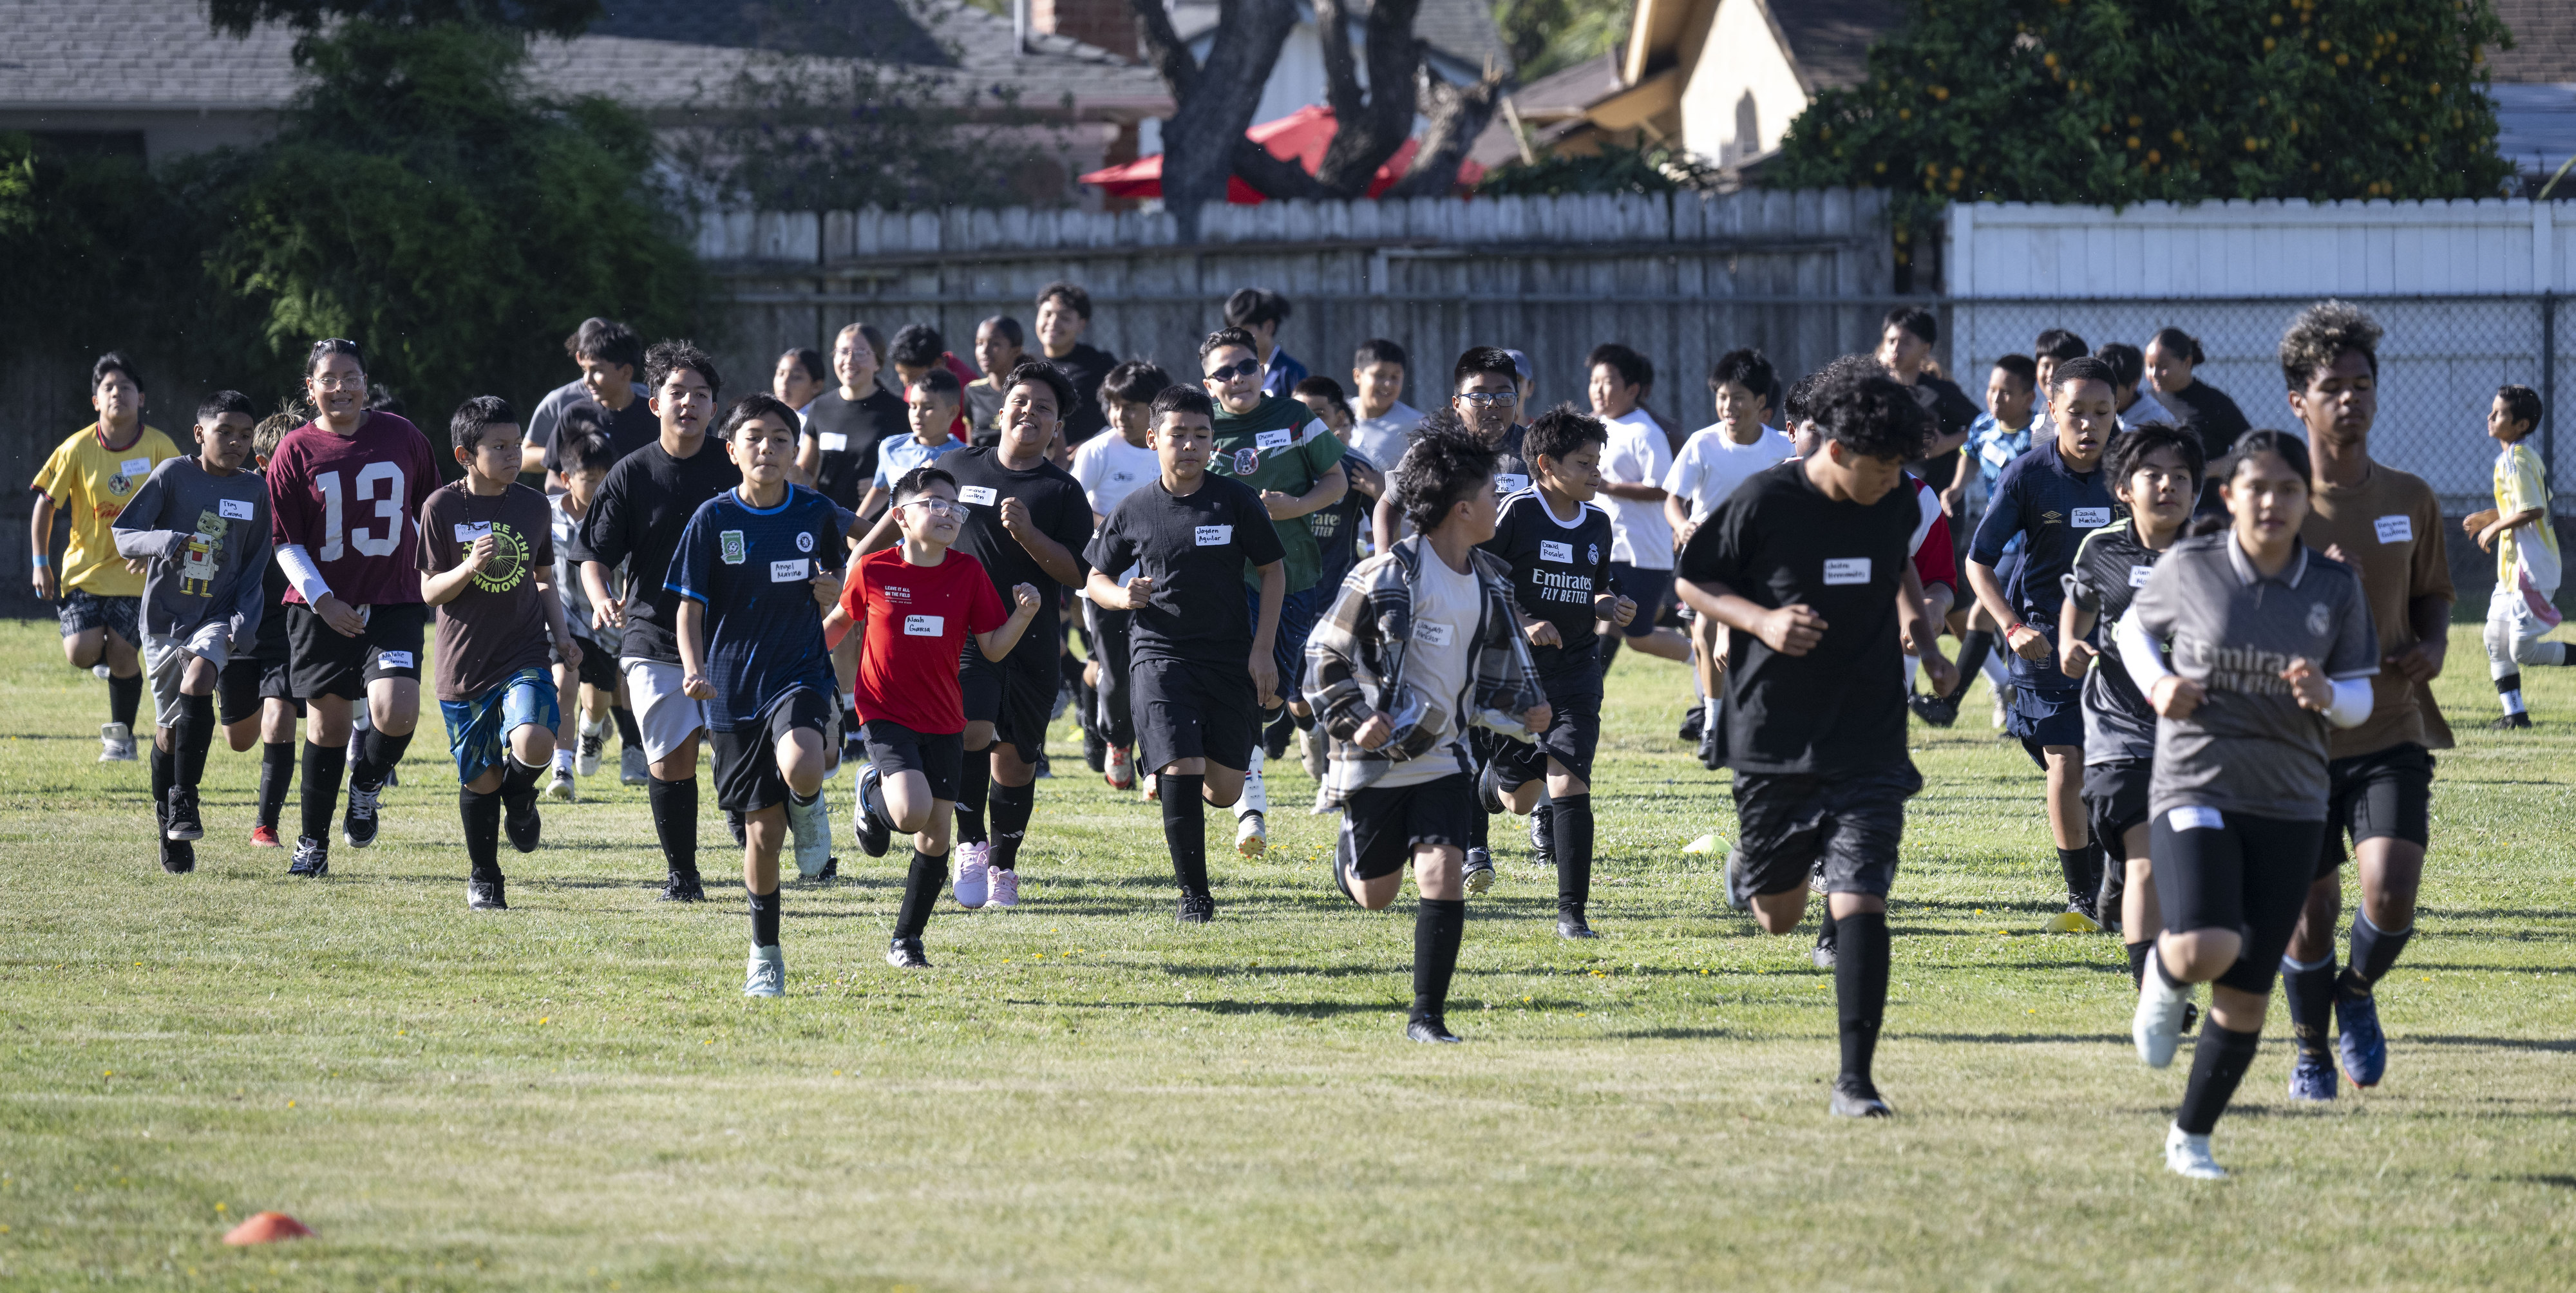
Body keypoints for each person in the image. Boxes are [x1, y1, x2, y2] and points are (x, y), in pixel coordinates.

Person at [1676, 368, 1944, 1115]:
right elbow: (1693, 581)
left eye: (1900, 469)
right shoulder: (1766, 500)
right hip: (1774, 735)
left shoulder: (1891, 495)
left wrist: (1924, 637)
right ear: (1839, 447)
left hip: (1869, 732)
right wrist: (1759, 622)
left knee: (1860, 896)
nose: (1893, 482)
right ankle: (1753, 867)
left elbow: (1898, 566)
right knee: (1778, 914)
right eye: (1882, 467)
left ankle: (1855, 1081)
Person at [2122, 429, 2378, 1179]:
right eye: (2256, 487)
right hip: (2195, 784)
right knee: (2207, 944)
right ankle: (2164, 979)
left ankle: (2190, 1139)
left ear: (2307, 501)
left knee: (2244, 998)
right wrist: (2158, 683)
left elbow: (2360, 695)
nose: (2271, 502)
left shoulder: (2334, 589)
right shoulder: (2192, 566)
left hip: (2293, 802)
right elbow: (2134, 627)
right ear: (2229, 494)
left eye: (2288, 490)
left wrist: (2329, 696)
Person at [1307, 420, 1548, 1042]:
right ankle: (1351, 856)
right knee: (1376, 895)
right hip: (1380, 760)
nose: (1503, 504)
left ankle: (1427, 1017)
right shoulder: (1383, 575)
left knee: (1443, 872)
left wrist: (1528, 711)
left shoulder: (1492, 578)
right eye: (1495, 495)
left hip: (1445, 755)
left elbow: (1502, 664)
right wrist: (1357, 723)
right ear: (1463, 509)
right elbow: (1322, 657)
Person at [2274, 301, 2454, 1102]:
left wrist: (2434, 642)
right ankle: (2310, 1048)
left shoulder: (2412, 497)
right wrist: (2313, 586)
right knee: (2309, 914)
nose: (2351, 398)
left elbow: (2435, 594)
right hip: (2293, 741)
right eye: (2331, 387)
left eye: (2362, 384)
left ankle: (2354, 992)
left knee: (2389, 888)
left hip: (2388, 724)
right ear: (2297, 404)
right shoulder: (2273, 508)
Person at [858, 361, 1094, 909]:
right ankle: (970, 843)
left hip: (1030, 638)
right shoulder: (956, 466)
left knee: (1016, 760)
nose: (1030, 413)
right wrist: (861, 558)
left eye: (1045, 407)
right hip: (960, 635)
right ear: (999, 406)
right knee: (970, 732)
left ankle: (1004, 870)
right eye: (1021, 401)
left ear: (1057, 423)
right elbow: (903, 517)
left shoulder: (1062, 491)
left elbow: (1078, 574)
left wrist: (1031, 536)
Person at [668, 395, 865, 994]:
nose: (768, 449)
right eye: (754, 438)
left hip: (799, 670)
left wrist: (837, 588)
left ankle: (810, 804)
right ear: (732, 451)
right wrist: (694, 669)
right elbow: (689, 609)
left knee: (805, 763)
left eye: (782, 439)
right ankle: (765, 954)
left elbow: (857, 562)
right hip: (730, 690)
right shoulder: (712, 520)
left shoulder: (815, 511)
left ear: (796, 451)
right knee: (761, 836)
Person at [1085, 384, 1287, 922]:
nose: (1190, 445)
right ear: (1154, 440)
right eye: (1178, 435)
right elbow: (1096, 574)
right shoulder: (1134, 509)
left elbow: (1272, 571)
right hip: (1158, 654)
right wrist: (1121, 596)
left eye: (1201, 435)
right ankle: (1194, 896)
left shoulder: (1236, 501)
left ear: (1213, 443)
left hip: (1230, 659)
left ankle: (1193, 781)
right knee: (1183, 766)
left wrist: (1263, 650)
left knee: (1221, 789)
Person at [837, 466, 1042, 966]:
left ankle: (907, 940)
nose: (947, 513)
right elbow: (840, 623)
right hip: (885, 712)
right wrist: (805, 672)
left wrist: (1023, 616)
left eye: (955, 507)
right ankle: (872, 791)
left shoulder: (968, 573)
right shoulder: (875, 569)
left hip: (946, 719)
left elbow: (992, 648)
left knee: (935, 833)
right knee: (909, 813)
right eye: (933, 503)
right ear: (901, 516)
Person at [573, 341, 743, 902]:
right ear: (655, 403)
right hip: (652, 634)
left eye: (701, 395)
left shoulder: (735, 465)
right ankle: (684, 877)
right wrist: (599, 597)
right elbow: (592, 555)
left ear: (715, 407)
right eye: (677, 393)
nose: (689, 404)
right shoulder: (631, 473)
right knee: (670, 763)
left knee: (738, 754)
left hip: (733, 636)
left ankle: (747, 809)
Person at [267, 339, 441, 877]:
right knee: (327, 729)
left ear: (366, 383)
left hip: (393, 600)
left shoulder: (403, 436)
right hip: (320, 608)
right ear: (310, 387)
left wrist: (440, 578)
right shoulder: (294, 451)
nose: (340, 388)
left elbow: (428, 514)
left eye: (351, 377)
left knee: (397, 711)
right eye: (328, 378)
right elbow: (286, 541)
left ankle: (365, 783)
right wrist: (324, 600)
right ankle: (312, 845)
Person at [1965, 355, 2122, 930]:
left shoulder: (2136, 472)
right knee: (2067, 761)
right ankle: (2083, 896)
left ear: (2116, 414)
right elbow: (1979, 562)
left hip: (2120, 650)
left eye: (2101, 412)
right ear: (2051, 410)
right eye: (2075, 412)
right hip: (2043, 644)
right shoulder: (2028, 474)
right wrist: (2011, 625)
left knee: (2109, 773)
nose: (2088, 424)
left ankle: (2114, 874)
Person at [1475, 405, 1634, 934]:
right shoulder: (1515, 512)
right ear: (1546, 463)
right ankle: (1490, 782)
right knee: (1518, 801)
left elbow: (1597, 585)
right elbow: (1478, 576)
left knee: (1568, 784)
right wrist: (1523, 620)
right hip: (1515, 675)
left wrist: (1610, 604)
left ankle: (1573, 915)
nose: (1596, 473)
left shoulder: (1598, 523)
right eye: (1585, 463)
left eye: (1597, 462)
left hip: (1576, 671)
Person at [417, 396, 581, 910]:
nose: (515, 456)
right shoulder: (440, 507)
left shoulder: (534, 506)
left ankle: (521, 794)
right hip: (463, 664)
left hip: (524, 652)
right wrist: (467, 568)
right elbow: (428, 592)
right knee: (480, 778)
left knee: (534, 741)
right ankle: (485, 876)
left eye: (517, 445)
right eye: (501, 447)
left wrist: (564, 636)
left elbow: (544, 580)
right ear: (467, 455)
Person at [2058, 422, 2203, 984]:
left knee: (2172, 860)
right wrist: (2072, 641)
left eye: (2181, 477)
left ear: (2196, 491)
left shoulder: (2214, 551)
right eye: (2153, 475)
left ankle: (2115, 880)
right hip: (2117, 725)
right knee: (2149, 858)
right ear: (2124, 488)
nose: (2168, 486)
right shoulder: (2103, 547)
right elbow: (2081, 601)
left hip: (2193, 729)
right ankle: (2154, 989)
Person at [1199, 326, 1349, 858]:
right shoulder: (1200, 426)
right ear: (1207, 382)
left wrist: (1294, 507)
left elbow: (1337, 480)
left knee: (1276, 694)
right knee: (1243, 691)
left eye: (1246, 366)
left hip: (1294, 576)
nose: (1236, 378)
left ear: (1263, 370)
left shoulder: (1296, 418)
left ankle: (1301, 725)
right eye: (1224, 371)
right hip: (1222, 582)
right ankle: (1251, 809)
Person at [110, 390, 269, 873]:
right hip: (163, 621)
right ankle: (169, 826)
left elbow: (254, 564)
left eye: (246, 435)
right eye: (226, 433)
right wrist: (166, 541)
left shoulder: (254, 490)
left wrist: (243, 620)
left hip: (217, 617)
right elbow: (124, 534)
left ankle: (186, 797)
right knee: (168, 735)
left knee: (200, 681)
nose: (238, 443)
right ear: (200, 434)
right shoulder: (173, 476)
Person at [31, 352, 183, 764]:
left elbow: (180, 503)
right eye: (108, 388)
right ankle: (101, 655)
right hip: (85, 573)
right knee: (80, 651)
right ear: (96, 401)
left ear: (142, 398)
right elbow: (46, 504)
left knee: (122, 653)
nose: (118, 394)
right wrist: (40, 562)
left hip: (138, 579)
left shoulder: (159, 447)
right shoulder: (77, 448)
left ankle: (121, 740)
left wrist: (155, 548)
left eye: (127, 388)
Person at [1662, 348, 1793, 757]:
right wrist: (1681, 525)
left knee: (1754, 640)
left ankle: (1759, 718)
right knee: (1703, 633)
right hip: (1710, 558)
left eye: (1738, 397)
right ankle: (1714, 726)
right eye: (1722, 396)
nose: (1728, 406)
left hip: (1764, 561)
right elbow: (1672, 499)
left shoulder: (1780, 449)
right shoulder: (1702, 444)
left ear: (1761, 403)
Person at [1917, 355, 2041, 730]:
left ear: (2028, 398)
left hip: (2034, 542)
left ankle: (1954, 702)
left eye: (2006, 392)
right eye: (1991, 389)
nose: (1995, 398)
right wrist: (1955, 489)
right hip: (1999, 542)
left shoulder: (2040, 433)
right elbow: (1969, 454)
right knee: (1996, 618)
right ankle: (2009, 698)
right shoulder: (1984, 425)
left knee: (1985, 615)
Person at [1072, 361, 1173, 791]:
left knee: (1159, 671)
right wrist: (1122, 525)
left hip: (1164, 583)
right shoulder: (1097, 451)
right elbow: (1073, 510)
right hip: (1106, 584)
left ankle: (1157, 758)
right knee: (1116, 674)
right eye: (1113, 406)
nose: (1120, 416)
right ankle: (1117, 739)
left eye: (1130, 407)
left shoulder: (1169, 447)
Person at [217, 412, 308, 848]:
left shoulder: (317, 498)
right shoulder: (238, 497)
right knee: (239, 739)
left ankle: (265, 826)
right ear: (263, 461)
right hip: (240, 624)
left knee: (279, 717)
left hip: (290, 627)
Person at [1289, 377, 1388, 778]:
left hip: (1337, 596)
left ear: (1338, 418)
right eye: (1300, 414)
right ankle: (1308, 730)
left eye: (1319, 414)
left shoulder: (1351, 466)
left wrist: (1382, 492)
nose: (1308, 423)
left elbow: (1389, 519)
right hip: (1288, 593)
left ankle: (1338, 767)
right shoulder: (1277, 463)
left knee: (1338, 683)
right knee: (1294, 698)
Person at [548, 420, 645, 796]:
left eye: (607, 477)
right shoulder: (546, 516)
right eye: (590, 478)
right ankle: (561, 770)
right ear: (566, 478)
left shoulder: (622, 519)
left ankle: (591, 731)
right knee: (563, 684)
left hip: (607, 625)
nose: (600, 486)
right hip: (560, 620)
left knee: (599, 702)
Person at [2467, 384, 2564, 728]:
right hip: (2512, 571)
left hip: (2531, 570)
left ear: (2521, 425)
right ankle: (2515, 715)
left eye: (2500, 412)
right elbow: (2528, 503)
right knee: (2495, 639)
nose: (2490, 416)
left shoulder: (2517, 459)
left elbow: (2535, 509)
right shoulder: (2518, 458)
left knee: (2524, 651)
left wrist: (2493, 528)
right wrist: (2492, 516)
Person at [1588, 343, 1687, 672]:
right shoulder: (1592, 427)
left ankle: (1703, 657)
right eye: (1594, 381)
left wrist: (1611, 488)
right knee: (1603, 615)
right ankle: (1586, 690)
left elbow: (1663, 487)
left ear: (1632, 389)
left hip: (1641, 551)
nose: (1598, 390)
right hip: (1606, 546)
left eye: (1608, 381)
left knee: (1638, 635)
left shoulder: (1645, 431)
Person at [1878, 306, 1981, 515]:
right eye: (1891, 341)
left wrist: (1946, 444)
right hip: (1889, 503)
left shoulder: (1940, 392)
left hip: (1937, 506)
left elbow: (1985, 426)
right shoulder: (1875, 392)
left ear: (1926, 348)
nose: (1895, 348)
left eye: (1906, 341)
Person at [521, 319, 649, 484]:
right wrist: (575, 455)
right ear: (580, 357)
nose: (589, 379)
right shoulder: (563, 404)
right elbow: (525, 457)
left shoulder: (650, 403)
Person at [794, 323, 905, 511]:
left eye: (861, 352)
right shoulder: (820, 407)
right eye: (843, 352)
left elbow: (915, 468)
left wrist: (884, 487)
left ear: (877, 362)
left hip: (874, 528)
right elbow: (806, 472)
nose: (850, 360)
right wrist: (785, 468)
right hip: (828, 521)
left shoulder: (899, 412)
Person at [2143, 327, 2251, 514]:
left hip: (2206, 511)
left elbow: (2250, 449)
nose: (2155, 374)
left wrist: (2206, 470)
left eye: (2163, 366)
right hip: (2156, 509)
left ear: (2187, 362)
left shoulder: (2214, 403)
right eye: (2150, 366)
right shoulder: (2144, 403)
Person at [857, 370, 968, 520]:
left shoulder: (964, 457)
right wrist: (856, 523)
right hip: (898, 543)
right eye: (913, 406)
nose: (917, 413)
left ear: (953, 412)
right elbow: (882, 489)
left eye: (928, 407)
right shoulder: (891, 447)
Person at [1034, 282, 1118, 447]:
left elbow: (1124, 416)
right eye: (1047, 314)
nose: (1053, 322)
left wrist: (1090, 446)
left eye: (1064, 317)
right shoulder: (1025, 363)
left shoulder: (1101, 366)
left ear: (1082, 324)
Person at [886, 324, 978, 442]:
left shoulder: (967, 385)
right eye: (900, 373)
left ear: (937, 364)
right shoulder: (918, 377)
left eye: (913, 377)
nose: (906, 383)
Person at [1346, 338, 1421, 469]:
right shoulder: (1340, 413)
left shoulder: (1417, 425)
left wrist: (1382, 489)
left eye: (1395, 377)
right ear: (1357, 376)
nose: (1388, 384)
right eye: (1379, 375)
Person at [1224, 288, 1307, 396]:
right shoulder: (1231, 373)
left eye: (1244, 330)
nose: (1237, 337)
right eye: (1233, 331)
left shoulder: (1292, 373)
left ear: (1269, 327)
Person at [963, 317, 1028, 446]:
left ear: (1016, 351)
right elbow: (970, 446)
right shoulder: (972, 391)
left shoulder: (1032, 391)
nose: (985, 351)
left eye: (995, 344)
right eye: (980, 343)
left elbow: (1058, 451)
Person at [2094, 343, 2177, 431]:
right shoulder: (2090, 411)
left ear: (2134, 384)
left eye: (2111, 389)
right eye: (2097, 387)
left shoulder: (2157, 422)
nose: (2102, 394)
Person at [772, 348, 826, 424]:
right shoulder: (768, 418)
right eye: (780, 374)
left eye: (796, 376)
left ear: (817, 386)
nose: (784, 381)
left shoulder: (823, 422)